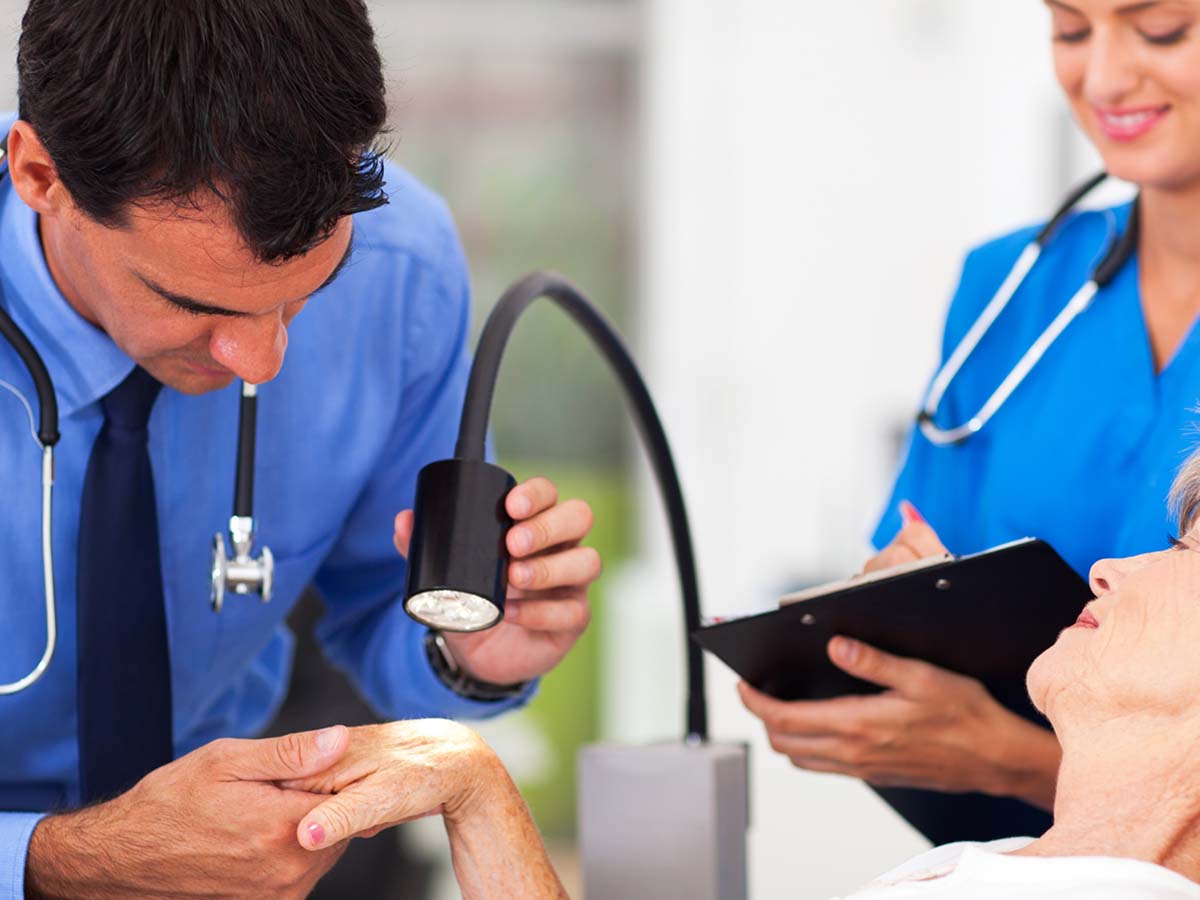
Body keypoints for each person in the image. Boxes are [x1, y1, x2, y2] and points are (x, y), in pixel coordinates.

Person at [0, 1, 601, 897]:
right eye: (198, 305)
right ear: (40, 174)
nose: (265, 357)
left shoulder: (399, 269)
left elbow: (379, 611)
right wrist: (66, 859)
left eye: (304, 293)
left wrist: (467, 654)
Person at [298, 446, 1200, 900]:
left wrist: (471, 784)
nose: (1110, 566)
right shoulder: (1006, 869)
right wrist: (472, 785)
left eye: (1183, 548)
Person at [741, 0, 1200, 843]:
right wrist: (883, 627)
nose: (1099, 77)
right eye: (1069, 30)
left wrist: (1013, 760)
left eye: (1161, 29)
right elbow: (917, 553)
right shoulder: (1009, 291)